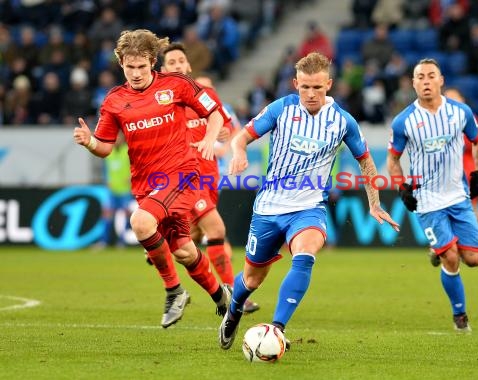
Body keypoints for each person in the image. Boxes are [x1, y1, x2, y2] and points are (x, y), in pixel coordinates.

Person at [218, 52, 400, 351]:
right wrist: (238, 152)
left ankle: (276, 329)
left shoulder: (342, 121)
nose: (311, 94)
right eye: (305, 87)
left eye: (317, 87)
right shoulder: (280, 109)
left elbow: (366, 162)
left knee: (306, 252)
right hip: (269, 208)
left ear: (328, 84)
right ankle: (234, 309)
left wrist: (374, 203)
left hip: (308, 207)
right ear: (295, 84)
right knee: (252, 278)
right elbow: (241, 137)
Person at [73, 29, 232, 328]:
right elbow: (106, 147)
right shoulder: (115, 101)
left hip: (181, 174)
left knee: (141, 222)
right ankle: (220, 295)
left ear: (152, 62)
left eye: (142, 67)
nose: (135, 73)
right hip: (147, 184)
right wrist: (90, 142)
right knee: (184, 249)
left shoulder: (176, 85)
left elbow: (214, 114)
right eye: (129, 67)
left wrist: (210, 139)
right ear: (121, 63)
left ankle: (174, 291)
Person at [387, 58, 478, 332]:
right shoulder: (404, 121)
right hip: (428, 201)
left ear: (441, 80)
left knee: (474, 260)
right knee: (452, 258)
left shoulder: (460, 112)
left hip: (458, 197)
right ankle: (460, 315)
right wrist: (401, 187)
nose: (426, 81)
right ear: (413, 83)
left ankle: (437, 250)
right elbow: (393, 159)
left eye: (431, 76)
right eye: (420, 77)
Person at [160, 42, 259, 314]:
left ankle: (159, 250)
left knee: (190, 239)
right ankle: (232, 295)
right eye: (172, 62)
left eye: (182, 60)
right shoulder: (162, 102)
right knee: (216, 231)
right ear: (163, 70)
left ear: (188, 66)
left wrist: (223, 133)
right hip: (183, 179)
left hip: (209, 177)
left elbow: (225, 123)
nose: (178, 65)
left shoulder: (205, 95)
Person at [426, 87, 478, 266]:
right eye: (447, 98)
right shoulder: (436, 120)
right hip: (444, 173)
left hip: (466, 171)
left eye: (454, 98)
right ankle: (445, 245)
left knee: (468, 208)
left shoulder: (468, 118)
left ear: (462, 100)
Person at [96, 133, 133, 248]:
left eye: (119, 138)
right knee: (107, 214)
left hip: (125, 189)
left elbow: (136, 165)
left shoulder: (128, 150)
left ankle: (122, 241)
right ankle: (104, 241)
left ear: (123, 139)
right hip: (111, 189)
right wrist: (106, 179)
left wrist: (132, 176)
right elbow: (105, 169)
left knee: (126, 214)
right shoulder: (109, 151)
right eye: (115, 138)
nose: (117, 140)